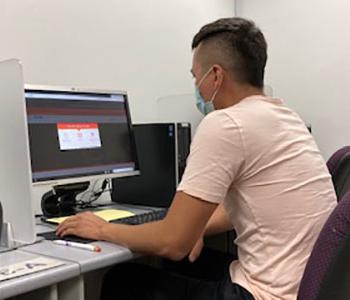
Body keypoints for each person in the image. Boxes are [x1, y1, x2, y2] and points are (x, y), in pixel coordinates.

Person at [56, 17, 337, 300]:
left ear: (215, 75)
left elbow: (173, 242)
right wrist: (193, 225)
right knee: (175, 262)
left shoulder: (226, 123)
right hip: (305, 286)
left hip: (266, 294)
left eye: (195, 77)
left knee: (123, 279)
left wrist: (103, 228)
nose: (197, 87)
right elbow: (239, 211)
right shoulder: (286, 118)